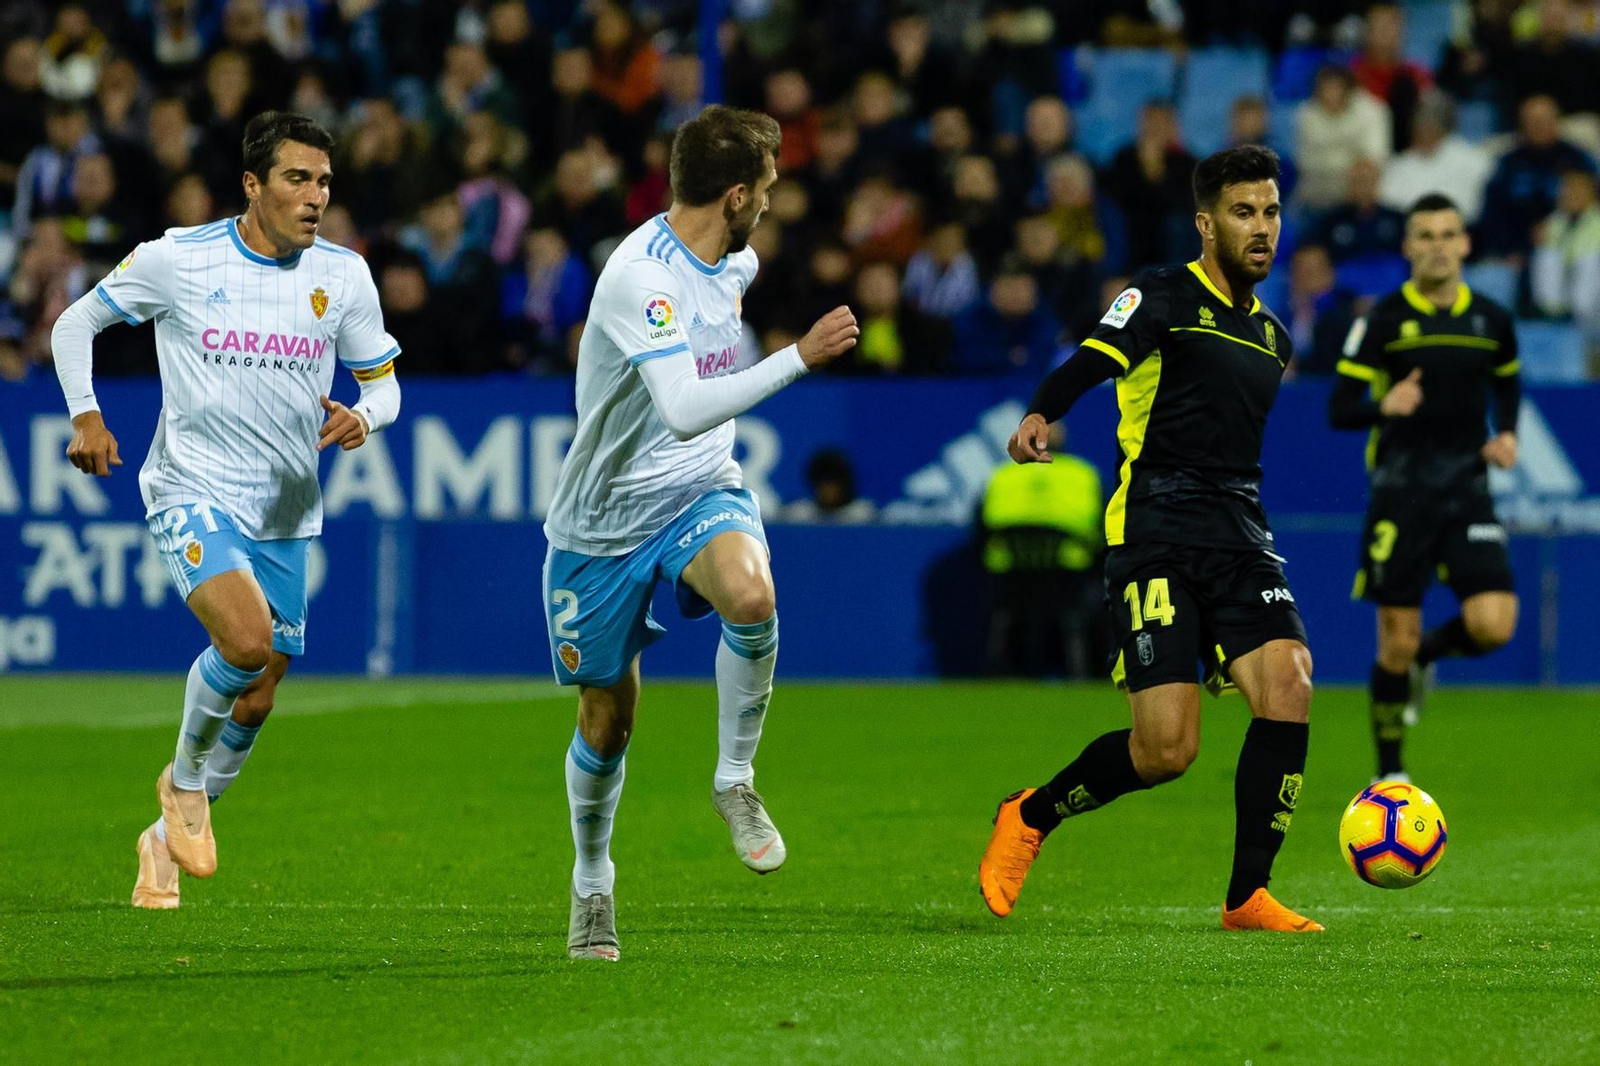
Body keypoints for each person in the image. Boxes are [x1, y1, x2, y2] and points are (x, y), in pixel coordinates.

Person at [48, 111, 403, 910]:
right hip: (192, 485)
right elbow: (79, 322)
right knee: (245, 642)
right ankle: (181, 788)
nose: (315, 197)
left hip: (286, 507)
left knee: (260, 692)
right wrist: (85, 414)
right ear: (252, 184)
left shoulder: (343, 274)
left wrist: (364, 415)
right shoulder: (182, 258)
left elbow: (383, 384)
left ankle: (161, 838)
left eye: (323, 183)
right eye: (296, 179)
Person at [979, 145, 1324, 933]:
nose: (1262, 228)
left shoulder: (1275, 337)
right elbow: (1092, 360)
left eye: (1271, 212)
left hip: (1241, 534)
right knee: (1166, 751)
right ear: (1207, 224)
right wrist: (1041, 411)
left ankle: (1247, 896)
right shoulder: (1160, 294)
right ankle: (1029, 814)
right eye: (1244, 213)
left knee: (1291, 683)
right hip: (1156, 533)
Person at [542, 104, 858, 962]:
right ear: (733, 194)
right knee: (608, 721)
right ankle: (593, 880)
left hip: (699, 491)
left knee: (752, 594)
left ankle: (734, 779)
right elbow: (681, 408)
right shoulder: (640, 278)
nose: (773, 201)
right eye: (768, 187)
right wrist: (799, 356)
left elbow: (694, 436)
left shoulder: (735, 260)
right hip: (603, 521)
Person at [1328, 192, 1521, 784]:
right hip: (1401, 492)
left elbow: (1508, 385)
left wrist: (1507, 434)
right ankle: (1391, 774)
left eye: (1448, 234)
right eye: (1425, 235)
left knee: (1494, 624)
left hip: (1467, 487)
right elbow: (1340, 408)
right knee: (1394, 641)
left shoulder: (1492, 319)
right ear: (1408, 246)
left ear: (1465, 243)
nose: (1438, 245)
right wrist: (1384, 404)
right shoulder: (1382, 320)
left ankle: (1429, 658)